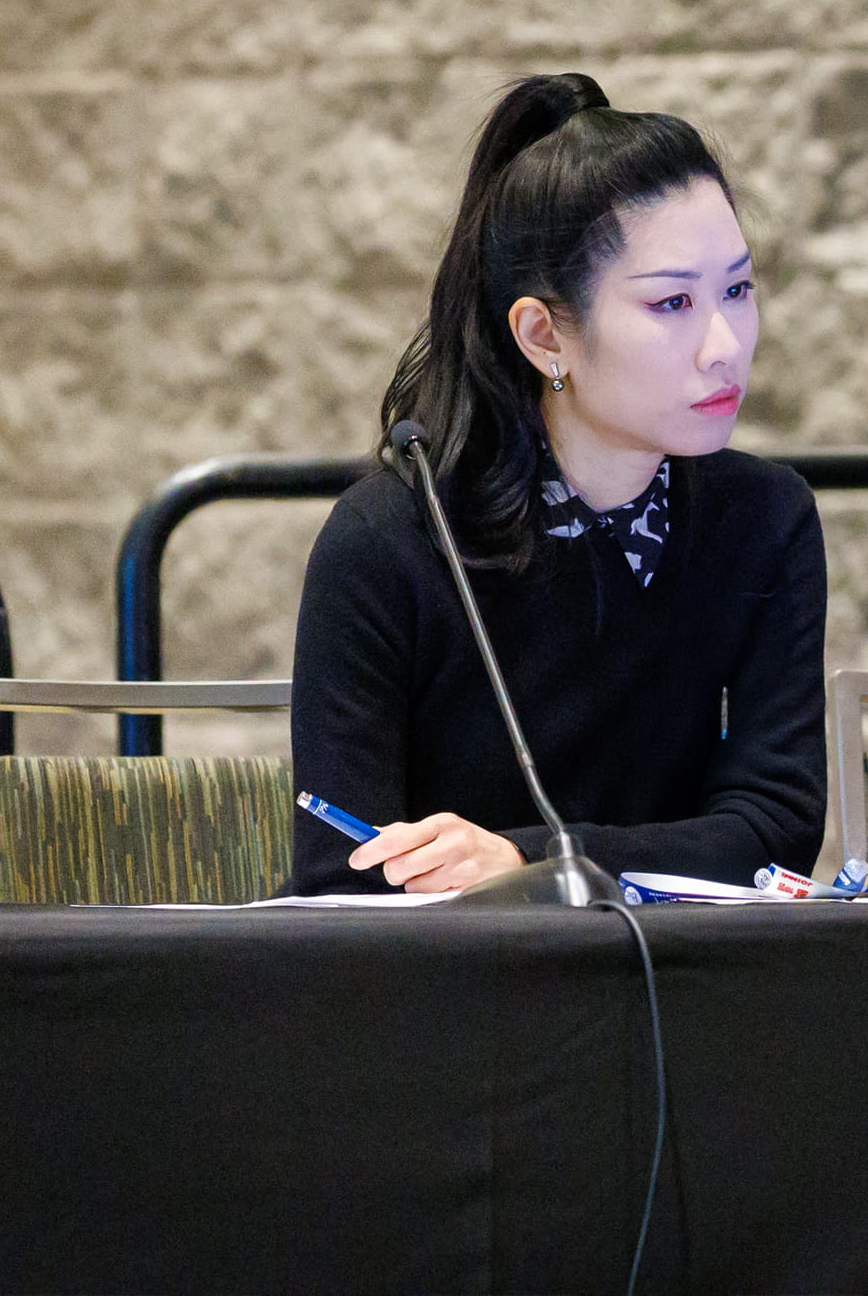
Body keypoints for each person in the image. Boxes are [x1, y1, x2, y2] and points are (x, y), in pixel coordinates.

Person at [289, 72, 827, 895]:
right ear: (545, 336)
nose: (725, 344)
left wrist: (533, 860)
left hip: (679, 996)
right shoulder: (391, 539)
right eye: (673, 302)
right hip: (449, 999)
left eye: (738, 290)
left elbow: (771, 833)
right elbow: (342, 871)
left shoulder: (762, 519)